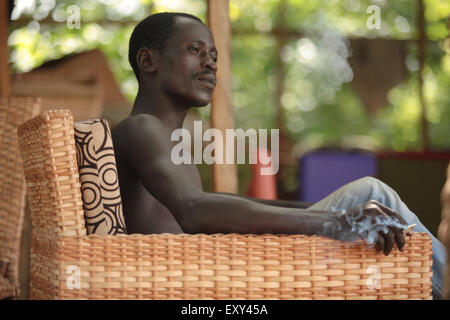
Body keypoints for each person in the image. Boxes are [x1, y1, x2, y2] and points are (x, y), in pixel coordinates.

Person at [111, 12, 446, 299]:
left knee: (373, 209)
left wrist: (342, 213)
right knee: (373, 192)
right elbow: (195, 211)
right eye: (194, 50)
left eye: (214, 55)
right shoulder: (141, 128)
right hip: (201, 281)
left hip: (215, 272)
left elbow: (207, 202)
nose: (211, 62)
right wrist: (337, 221)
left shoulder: (170, 140)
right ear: (148, 60)